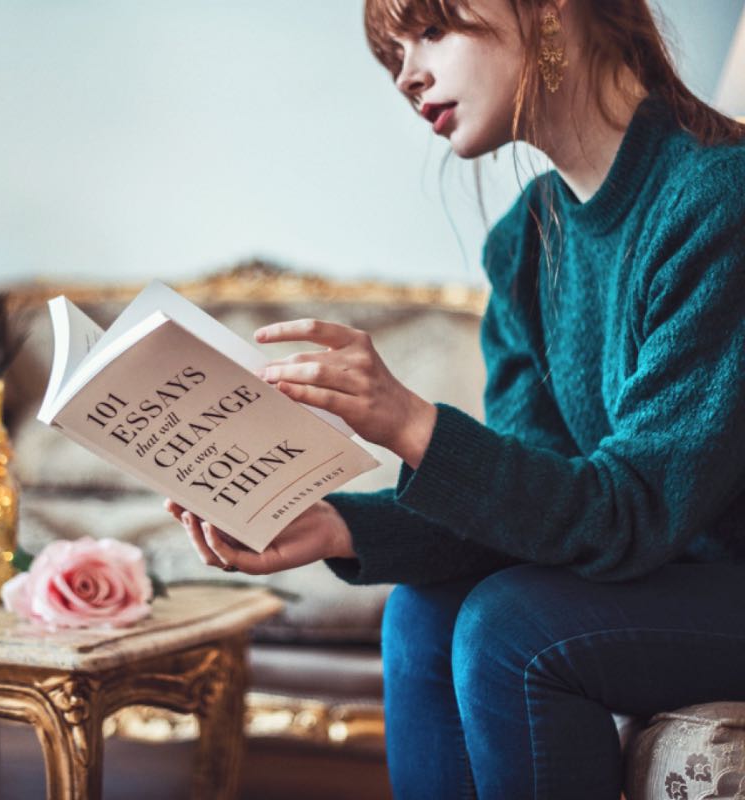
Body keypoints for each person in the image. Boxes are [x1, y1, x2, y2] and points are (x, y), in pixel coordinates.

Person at [166, 0, 745, 797]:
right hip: (670, 574)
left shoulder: (718, 199)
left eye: (431, 31)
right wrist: (336, 523)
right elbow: (535, 499)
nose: (406, 75)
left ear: (551, 11)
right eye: (393, 52)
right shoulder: (523, 242)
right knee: (422, 613)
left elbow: (634, 510)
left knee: (511, 627)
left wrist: (410, 422)